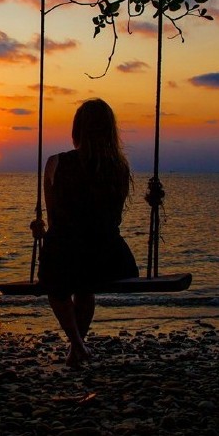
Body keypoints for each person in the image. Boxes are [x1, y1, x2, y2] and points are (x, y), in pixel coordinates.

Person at [30, 98, 139, 367]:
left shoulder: (55, 163)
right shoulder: (119, 168)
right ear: (109, 130)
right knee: (84, 285)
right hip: (110, 258)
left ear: (77, 129)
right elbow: (114, 217)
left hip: (67, 254)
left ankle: (77, 345)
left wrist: (41, 230)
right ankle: (76, 351)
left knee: (56, 285)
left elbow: (55, 218)